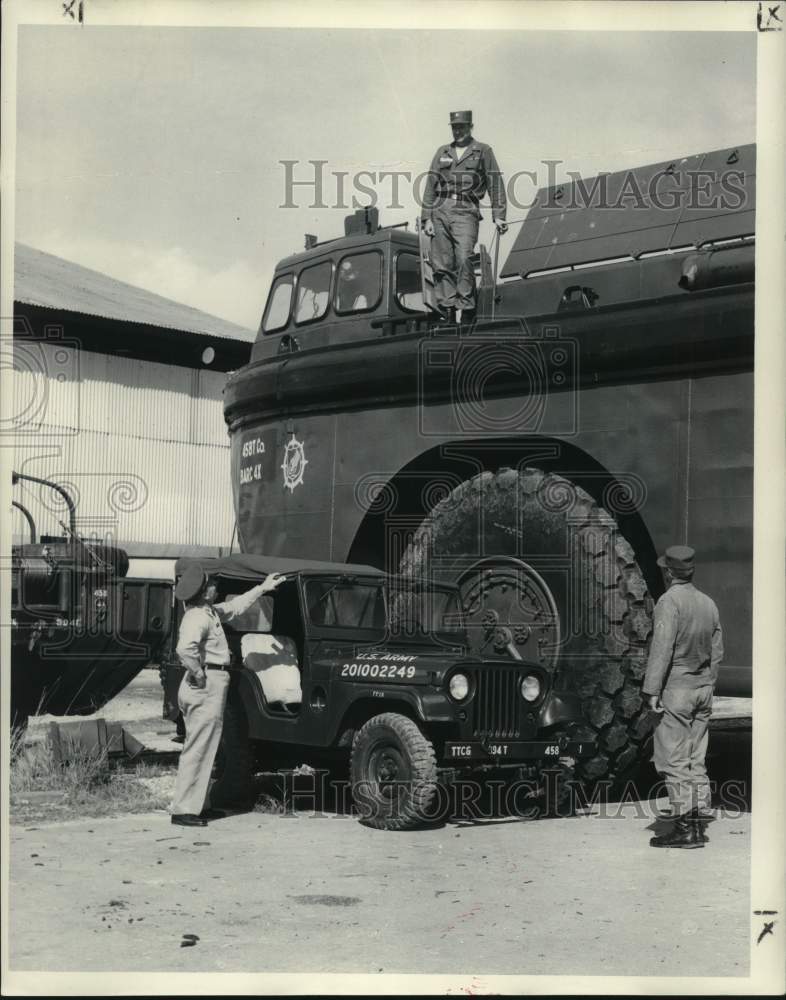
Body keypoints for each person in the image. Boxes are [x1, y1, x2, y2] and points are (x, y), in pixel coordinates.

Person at [170, 564, 285, 827]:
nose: (215, 588)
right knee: (198, 747)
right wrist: (199, 674)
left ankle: (197, 806)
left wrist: (262, 588)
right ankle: (183, 810)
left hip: (210, 683)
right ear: (202, 591)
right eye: (211, 585)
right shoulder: (198, 617)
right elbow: (184, 649)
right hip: (205, 684)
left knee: (206, 747)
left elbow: (235, 608)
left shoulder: (208, 612)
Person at [643, 545, 723, 849]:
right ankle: (698, 819)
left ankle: (685, 830)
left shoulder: (669, 602)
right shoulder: (708, 603)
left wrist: (652, 690)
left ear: (667, 571)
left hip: (677, 688)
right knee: (695, 756)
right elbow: (718, 650)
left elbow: (661, 649)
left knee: (673, 759)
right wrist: (708, 682)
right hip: (703, 689)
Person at [421, 110, 508, 325]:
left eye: (461, 127)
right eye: (454, 127)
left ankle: (467, 309)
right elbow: (430, 185)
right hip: (440, 208)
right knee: (442, 263)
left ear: (471, 127)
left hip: (465, 209)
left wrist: (499, 215)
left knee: (464, 260)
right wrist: (426, 218)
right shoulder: (443, 151)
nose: (457, 131)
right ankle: (447, 311)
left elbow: (495, 183)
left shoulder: (483, 151)